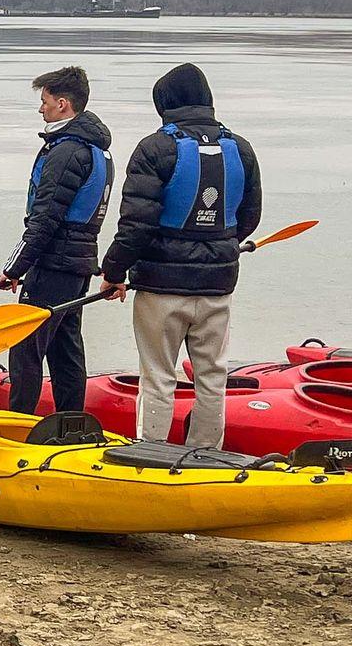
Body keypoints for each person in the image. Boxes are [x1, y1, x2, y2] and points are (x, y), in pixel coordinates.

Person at [99, 63, 261, 447]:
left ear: (166, 105)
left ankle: (152, 454)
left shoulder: (154, 148)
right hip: (218, 287)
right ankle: (207, 456)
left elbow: (135, 225)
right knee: (212, 376)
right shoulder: (241, 148)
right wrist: (216, 245)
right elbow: (249, 219)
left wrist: (113, 271)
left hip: (160, 288)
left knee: (157, 376)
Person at [0, 66, 113, 416]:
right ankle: (70, 424)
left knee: (25, 346)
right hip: (77, 265)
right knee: (65, 347)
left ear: (62, 104)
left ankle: (17, 425)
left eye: (44, 101)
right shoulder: (96, 148)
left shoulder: (66, 152)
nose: (40, 109)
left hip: (54, 263)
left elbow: (45, 219)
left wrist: (15, 267)